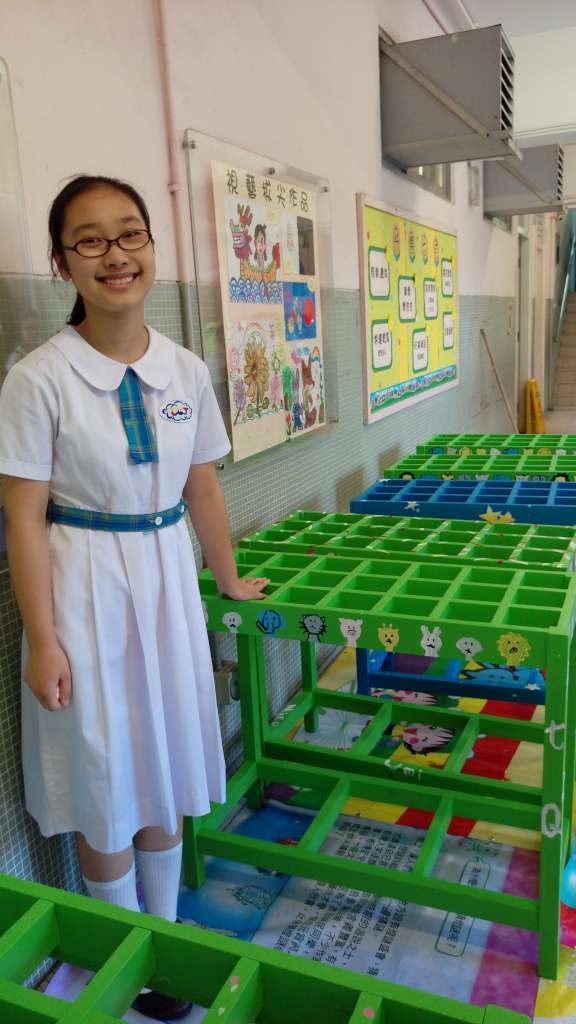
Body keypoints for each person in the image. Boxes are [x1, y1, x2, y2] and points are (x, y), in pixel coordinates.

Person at [0, 174, 269, 1021]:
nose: (114, 255)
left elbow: (204, 488)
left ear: (152, 245)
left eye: (129, 234)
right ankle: (127, 958)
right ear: (62, 263)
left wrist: (226, 579)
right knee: (103, 768)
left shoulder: (183, 368)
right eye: (89, 240)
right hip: (82, 588)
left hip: (165, 581)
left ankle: (167, 935)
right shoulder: (38, 379)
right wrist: (45, 639)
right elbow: (22, 518)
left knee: (163, 759)